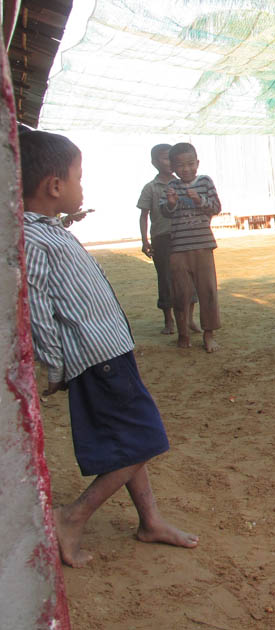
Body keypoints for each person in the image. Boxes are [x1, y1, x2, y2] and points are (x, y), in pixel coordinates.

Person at [20, 130, 199, 568]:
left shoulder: (45, 228)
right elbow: (37, 306)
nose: (83, 186)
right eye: (78, 178)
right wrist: (57, 366)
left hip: (110, 350)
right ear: (54, 186)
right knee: (146, 439)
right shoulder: (31, 238)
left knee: (131, 438)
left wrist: (66, 221)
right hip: (95, 358)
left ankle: (149, 520)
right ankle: (72, 517)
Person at [160, 142, 222, 352]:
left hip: (203, 246)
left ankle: (208, 335)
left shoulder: (205, 182)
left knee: (208, 292)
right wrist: (170, 202)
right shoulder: (171, 186)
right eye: (180, 165)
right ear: (173, 168)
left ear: (197, 163)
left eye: (190, 164)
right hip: (178, 248)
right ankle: (183, 334)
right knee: (181, 294)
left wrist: (200, 200)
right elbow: (165, 212)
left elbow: (216, 207)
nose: (186, 169)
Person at [137, 143, 197, 335]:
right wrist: (145, 241)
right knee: (165, 279)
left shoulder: (183, 184)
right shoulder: (150, 188)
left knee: (190, 278)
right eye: (164, 158)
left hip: (184, 236)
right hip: (161, 239)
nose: (169, 162)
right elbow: (144, 215)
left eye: (171, 158)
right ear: (154, 162)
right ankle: (168, 320)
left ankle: (189, 319)